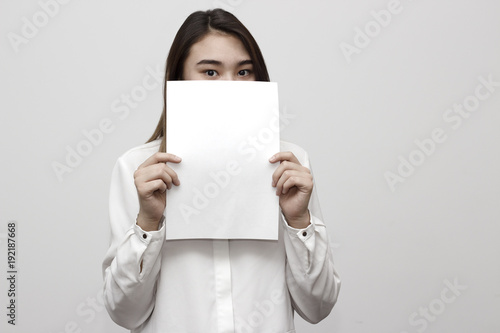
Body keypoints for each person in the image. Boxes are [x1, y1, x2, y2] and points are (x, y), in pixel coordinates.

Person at [102, 8, 340, 333]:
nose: (230, 85)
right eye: (210, 72)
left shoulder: (291, 165)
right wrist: (148, 223)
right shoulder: (137, 170)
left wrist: (299, 222)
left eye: (243, 72)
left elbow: (317, 307)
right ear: (180, 79)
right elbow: (124, 313)